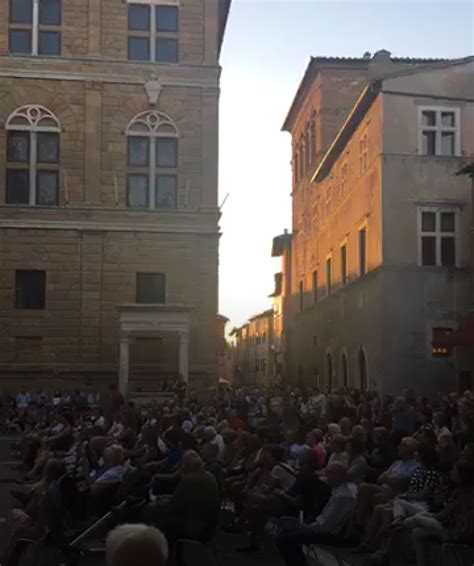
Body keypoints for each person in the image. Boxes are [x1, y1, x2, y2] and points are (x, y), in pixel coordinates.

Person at [275, 463, 358, 566]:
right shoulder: (347, 488)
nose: (326, 478)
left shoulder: (343, 496)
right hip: (327, 528)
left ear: (338, 476)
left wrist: (306, 527)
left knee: (283, 539)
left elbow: (326, 525)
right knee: (286, 532)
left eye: (329, 475)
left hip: (333, 535)